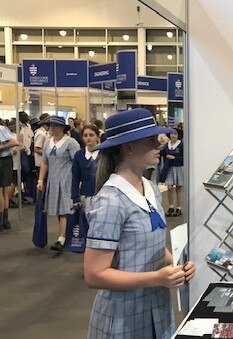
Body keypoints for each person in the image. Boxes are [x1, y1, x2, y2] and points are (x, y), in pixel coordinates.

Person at [84, 108, 196, 339]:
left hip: (156, 309)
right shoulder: (110, 201)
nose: (160, 143)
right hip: (123, 318)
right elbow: (94, 274)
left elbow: (154, 246)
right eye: (151, 139)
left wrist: (178, 265)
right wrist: (156, 278)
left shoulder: (152, 190)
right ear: (129, 147)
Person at [36, 116, 80, 252]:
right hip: (53, 180)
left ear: (62, 127)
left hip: (67, 179)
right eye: (51, 125)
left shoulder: (71, 143)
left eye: (55, 125)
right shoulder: (48, 143)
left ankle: (62, 238)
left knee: (64, 210)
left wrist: (77, 181)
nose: (52, 128)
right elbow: (44, 162)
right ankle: (64, 237)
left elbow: (77, 163)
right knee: (59, 210)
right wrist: (41, 180)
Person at [71, 124, 100, 214]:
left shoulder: (104, 154)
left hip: (102, 195)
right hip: (85, 195)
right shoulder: (79, 155)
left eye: (91, 135)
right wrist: (75, 197)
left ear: (97, 137)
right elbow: (75, 177)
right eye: (85, 135)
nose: (88, 138)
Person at [160, 128, 184, 217]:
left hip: (178, 168)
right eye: (171, 134)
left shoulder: (181, 145)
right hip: (169, 168)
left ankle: (179, 208)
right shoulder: (167, 145)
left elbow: (184, 158)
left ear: (178, 135)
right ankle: (170, 207)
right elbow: (163, 153)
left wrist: (174, 158)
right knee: (169, 187)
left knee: (178, 188)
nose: (173, 135)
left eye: (175, 134)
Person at [0, 122, 19, 231]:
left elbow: (14, 142)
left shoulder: (1, 129)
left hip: (3, 161)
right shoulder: (3, 128)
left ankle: (2, 222)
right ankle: (4, 221)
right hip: (5, 161)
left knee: (1, 191)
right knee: (3, 191)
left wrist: (1, 146)